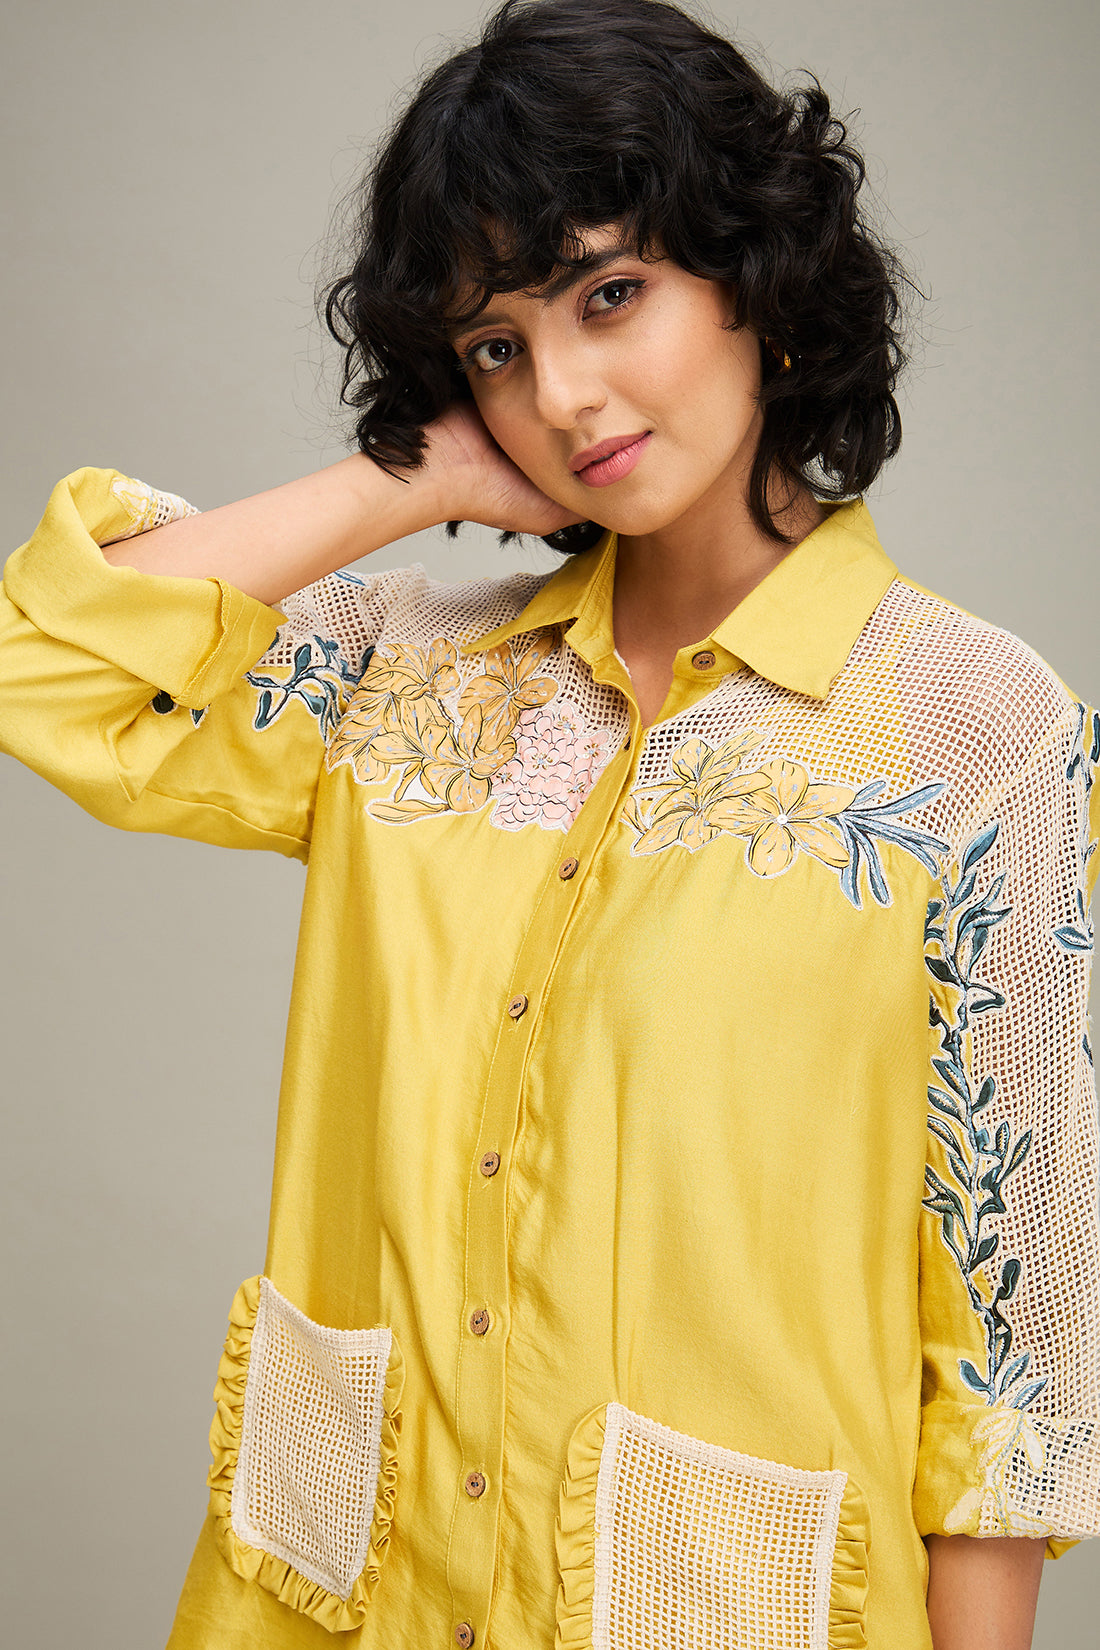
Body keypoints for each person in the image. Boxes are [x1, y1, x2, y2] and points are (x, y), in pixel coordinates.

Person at [1, 1, 1097, 1646]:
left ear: (754, 271)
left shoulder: (974, 729)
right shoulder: (402, 674)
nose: (565, 393)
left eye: (608, 293)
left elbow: (1014, 1349)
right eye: (497, 345)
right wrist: (412, 480)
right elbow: (48, 666)